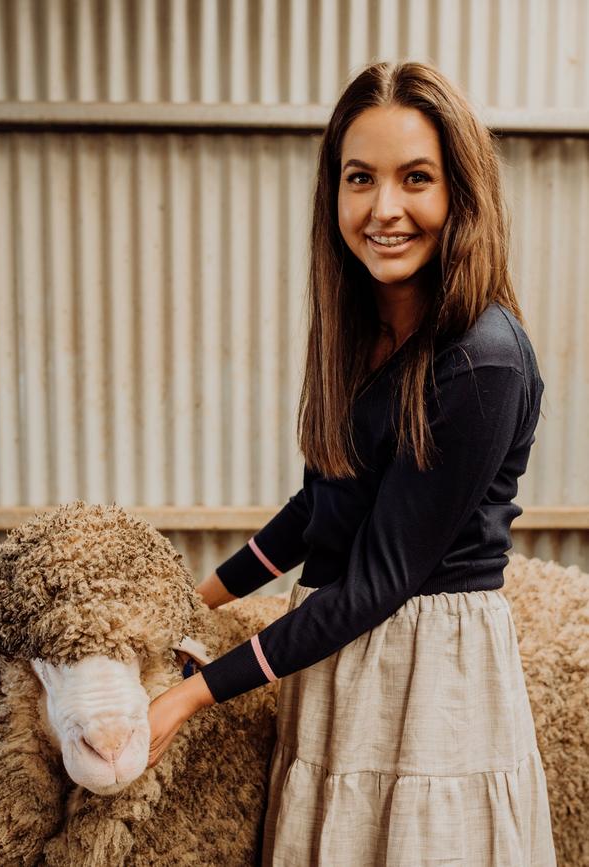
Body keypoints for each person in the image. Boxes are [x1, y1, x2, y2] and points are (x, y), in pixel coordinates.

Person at [146, 60, 557, 865]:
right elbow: (318, 511)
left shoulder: (482, 361)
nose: (384, 208)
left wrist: (193, 693)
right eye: (360, 177)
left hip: (427, 670)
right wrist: (191, 604)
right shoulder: (358, 333)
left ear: (460, 195)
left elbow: (379, 580)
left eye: (416, 178)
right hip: (340, 656)